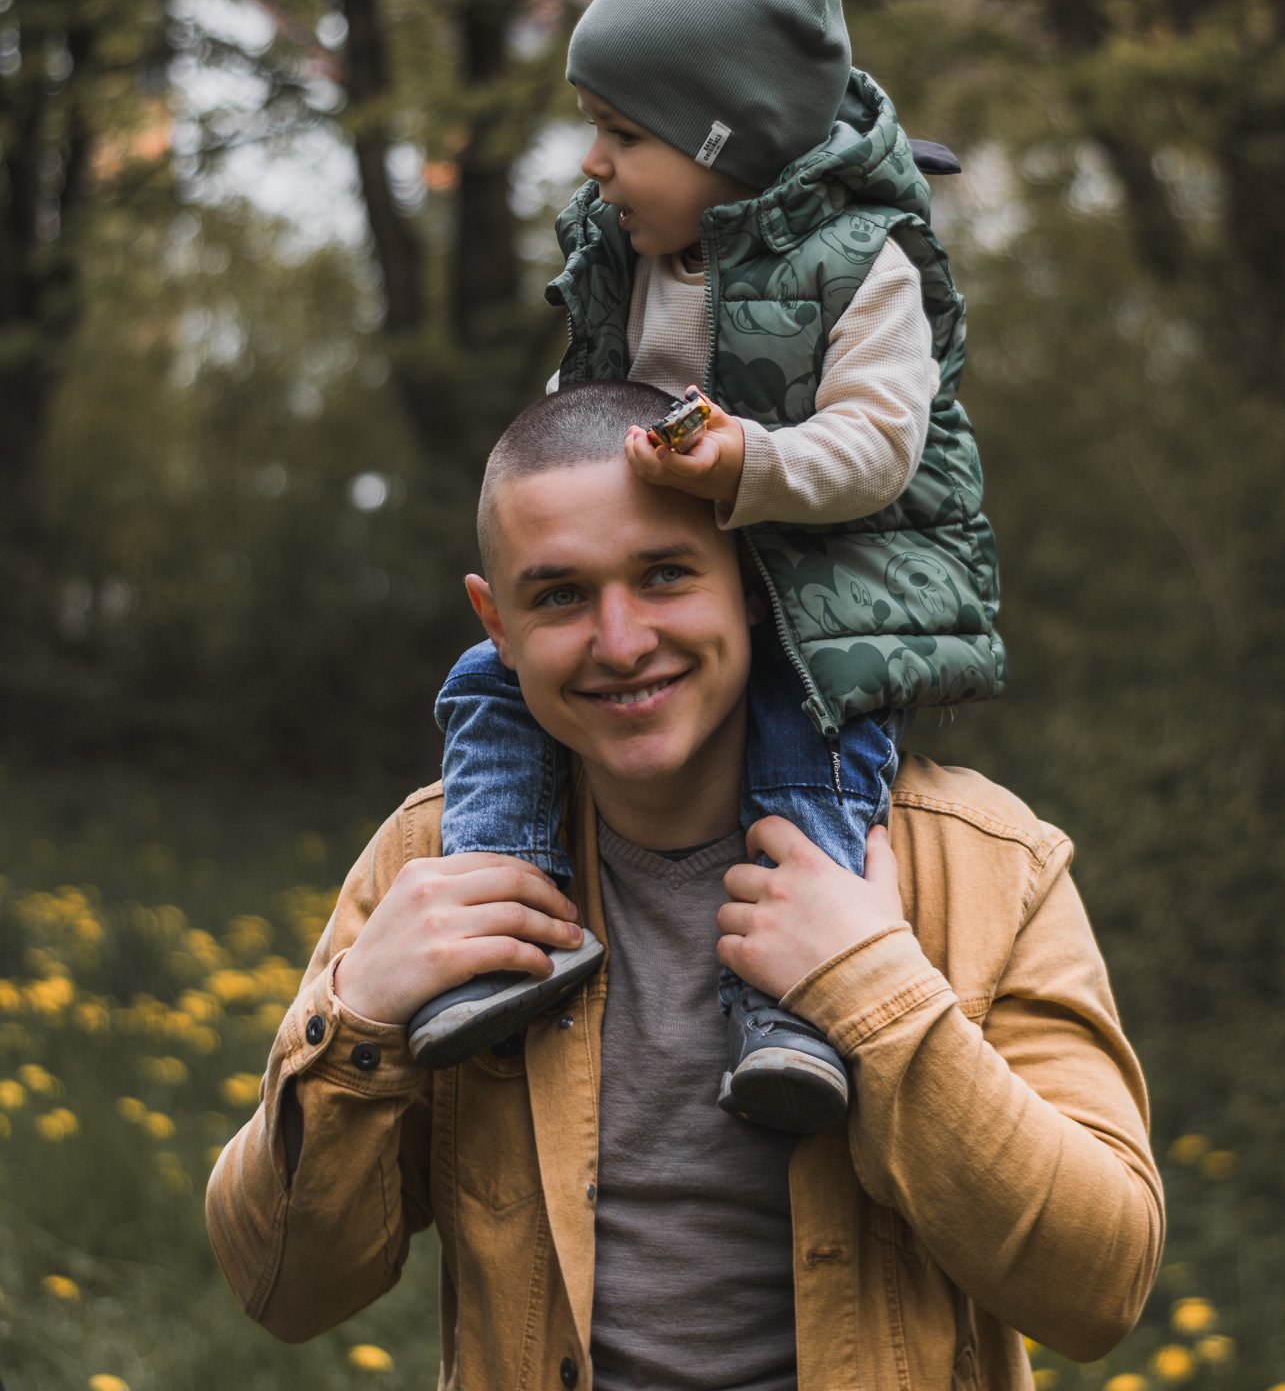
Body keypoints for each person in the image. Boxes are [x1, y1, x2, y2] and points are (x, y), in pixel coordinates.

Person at [206, 381, 1162, 1391]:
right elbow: (284, 1289)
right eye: (560, 594)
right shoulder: (431, 862)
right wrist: (356, 1017)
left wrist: (875, 991)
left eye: (664, 575)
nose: (620, 642)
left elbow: (1100, 1290)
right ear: (496, 621)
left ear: (751, 580)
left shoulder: (983, 858)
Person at [420, 0, 1005, 1130]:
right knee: (487, 681)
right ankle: (507, 905)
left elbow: (879, 448)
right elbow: (586, 394)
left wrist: (742, 462)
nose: (594, 163)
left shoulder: (860, 259)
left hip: (835, 562)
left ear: (723, 143)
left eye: (622, 135)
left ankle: (791, 1009)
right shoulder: (627, 243)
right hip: (686, 544)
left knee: (806, 738)